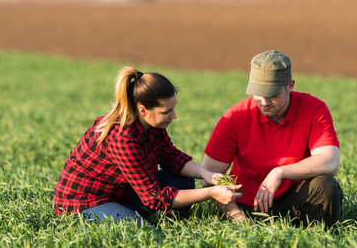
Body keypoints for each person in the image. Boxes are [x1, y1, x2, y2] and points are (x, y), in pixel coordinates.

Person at [54, 67, 242, 226]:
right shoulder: (122, 137)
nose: (174, 116)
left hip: (122, 194)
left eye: (174, 108)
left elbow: (170, 157)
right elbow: (153, 196)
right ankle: (151, 222)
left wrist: (206, 174)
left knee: (182, 180)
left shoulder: (152, 124)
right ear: (143, 110)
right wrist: (210, 193)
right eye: (167, 111)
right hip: (83, 205)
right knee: (141, 231)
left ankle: (172, 225)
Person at [201, 50, 343, 228]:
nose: (264, 102)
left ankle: (318, 238)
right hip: (247, 205)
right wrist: (238, 218)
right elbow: (207, 177)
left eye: (273, 95)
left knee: (326, 186)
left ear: (290, 86)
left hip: (295, 200)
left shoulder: (314, 108)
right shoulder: (236, 116)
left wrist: (279, 172)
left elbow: (330, 162)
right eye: (258, 94)